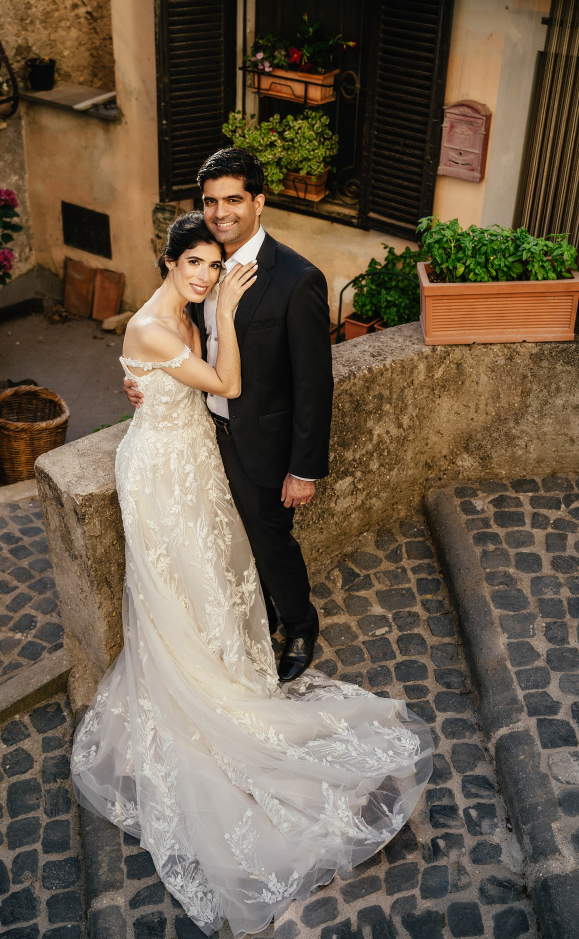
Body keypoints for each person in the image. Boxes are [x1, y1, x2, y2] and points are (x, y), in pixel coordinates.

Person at [71, 210, 433, 938]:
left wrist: (154, 371)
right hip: (163, 476)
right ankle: (203, 693)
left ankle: (231, 668)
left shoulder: (183, 311)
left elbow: (166, 379)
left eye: (214, 266)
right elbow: (226, 380)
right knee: (179, 587)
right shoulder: (156, 323)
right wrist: (226, 313)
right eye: (195, 264)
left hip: (194, 458)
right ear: (169, 262)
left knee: (215, 578)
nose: (207, 276)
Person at [124, 148, 333, 683]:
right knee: (223, 542)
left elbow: (314, 383)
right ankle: (255, 616)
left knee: (270, 540)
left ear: (258, 202)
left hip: (263, 441)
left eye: (234, 200)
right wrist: (142, 379)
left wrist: (304, 468)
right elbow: (169, 336)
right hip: (201, 433)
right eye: (211, 201)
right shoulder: (203, 263)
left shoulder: (297, 279)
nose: (221, 212)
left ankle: (300, 624)